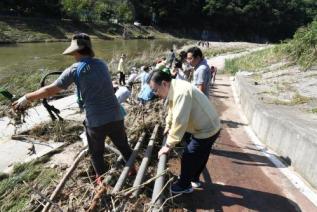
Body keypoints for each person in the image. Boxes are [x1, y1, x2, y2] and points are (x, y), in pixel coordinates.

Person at [12, 33, 133, 184]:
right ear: (89, 49)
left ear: (75, 51)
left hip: (96, 121)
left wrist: (27, 97)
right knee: (123, 146)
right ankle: (133, 169)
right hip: (116, 115)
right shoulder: (102, 64)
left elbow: (50, 90)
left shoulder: (74, 69)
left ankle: (103, 184)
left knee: (96, 154)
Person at [149, 70, 220, 194]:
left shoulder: (181, 92)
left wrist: (168, 145)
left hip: (206, 129)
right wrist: (168, 124)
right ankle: (194, 179)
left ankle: (184, 185)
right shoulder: (174, 86)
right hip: (206, 125)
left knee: (189, 156)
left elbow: (179, 120)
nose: (155, 93)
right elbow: (172, 110)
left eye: (155, 90)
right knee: (201, 154)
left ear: (164, 84)